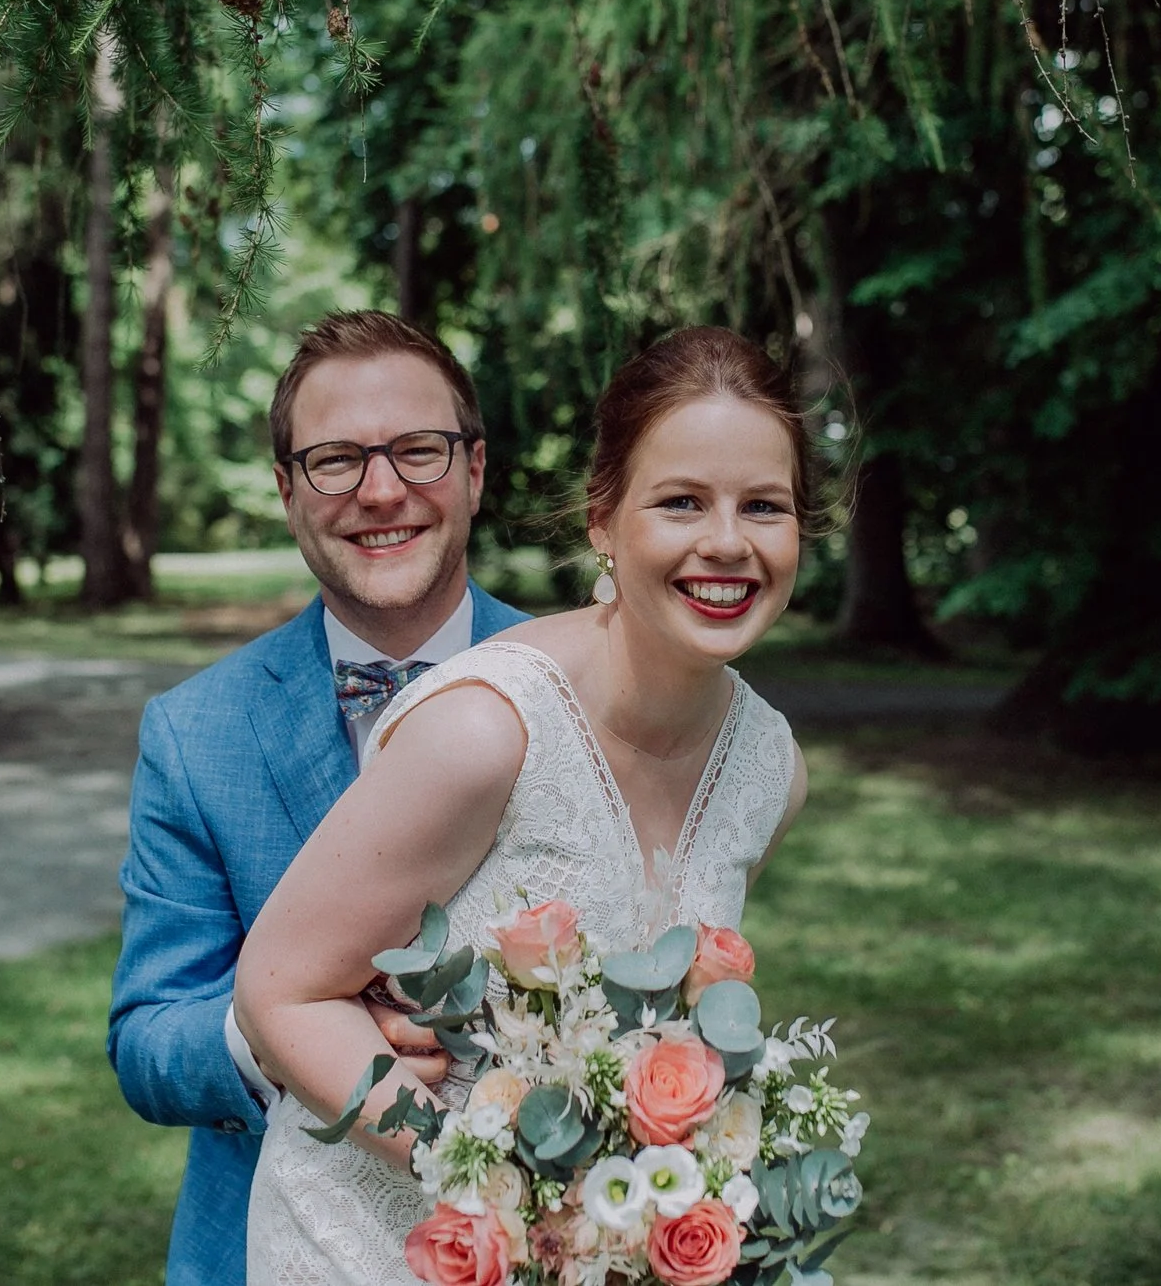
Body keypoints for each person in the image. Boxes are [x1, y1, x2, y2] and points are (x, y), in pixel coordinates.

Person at [235, 326, 816, 1284]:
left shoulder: (769, 769)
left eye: (765, 505)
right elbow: (280, 988)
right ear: (602, 519)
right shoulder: (486, 730)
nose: (727, 542)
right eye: (681, 502)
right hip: (367, 1251)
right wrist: (508, 1184)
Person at [108, 311, 530, 1286]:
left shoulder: (590, 685)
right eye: (336, 459)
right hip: (277, 1245)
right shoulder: (194, 731)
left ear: (473, 468)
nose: (381, 490)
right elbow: (148, 1038)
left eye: (418, 450)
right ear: (287, 489)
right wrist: (293, 1037)